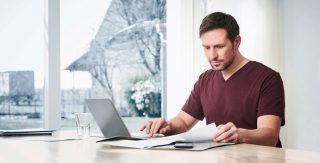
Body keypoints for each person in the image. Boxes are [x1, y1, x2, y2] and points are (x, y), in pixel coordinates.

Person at [140, 12, 285, 147]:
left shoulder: (268, 79)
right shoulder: (205, 79)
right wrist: (167, 126)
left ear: (237, 42)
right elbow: (183, 122)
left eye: (219, 46)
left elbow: (270, 135)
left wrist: (240, 135)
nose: (212, 56)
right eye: (206, 48)